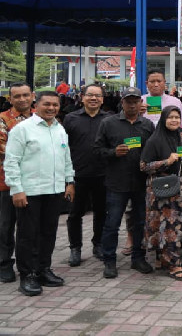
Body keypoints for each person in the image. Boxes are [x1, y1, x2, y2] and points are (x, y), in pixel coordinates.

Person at [3, 91, 74, 296]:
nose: (51, 108)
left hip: (53, 190)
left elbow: (66, 157)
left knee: (48, 233)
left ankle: (43, 269)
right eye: (47, 104)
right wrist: (16, 189)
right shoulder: (22, 130)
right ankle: (27, 275)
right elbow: (11, 162)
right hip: (29, 192)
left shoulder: (59, 129)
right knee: (27, 235)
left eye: (55, 105)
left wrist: (69, 181)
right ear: (37, 104)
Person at [95, 86, 155, 279]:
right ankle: (109, 261)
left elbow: (152, 151)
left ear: (140, 103)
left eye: (135, 101)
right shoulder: (108, 123)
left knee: (140, 222)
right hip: (116, 182)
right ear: (122, 103)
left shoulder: (146, 125)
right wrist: (113, 153)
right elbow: (96, 150)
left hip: (140, 182)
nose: (132, 104)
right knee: (112, 223)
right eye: (128, 101)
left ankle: (138, 257)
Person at [140, 106, 182, 281]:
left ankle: (165, 259)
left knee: (178, 225)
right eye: (170, 117)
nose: (174, 120)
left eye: (177, 117)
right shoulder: (154, 141)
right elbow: (143, 166)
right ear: (164, 119)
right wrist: (166, 161)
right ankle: (173, 264)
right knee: (168, 226)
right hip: (163, 193)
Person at [63, 83, 110, 267]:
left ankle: (98, 244)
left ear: (102, 99)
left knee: (101, 212)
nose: (93, 98)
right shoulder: (70, 119)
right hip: (77, 175)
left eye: (97, 96)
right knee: (75, 213)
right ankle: (75, 248)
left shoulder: (109, 119)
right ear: (82, 97)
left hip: (103, 174)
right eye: (90, 95)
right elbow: (64, 148)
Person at [0, 82, 34, 283]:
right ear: (10, 99)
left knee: (29, 226)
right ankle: (4, 263)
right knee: (5, 226)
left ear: (32, 96)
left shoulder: (42, 117)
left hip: (35, 182)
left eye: (25, 95)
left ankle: (28, 264)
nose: (22, 99)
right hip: (7, 182)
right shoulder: (3, 120)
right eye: (17, 96)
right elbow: (5, 148)